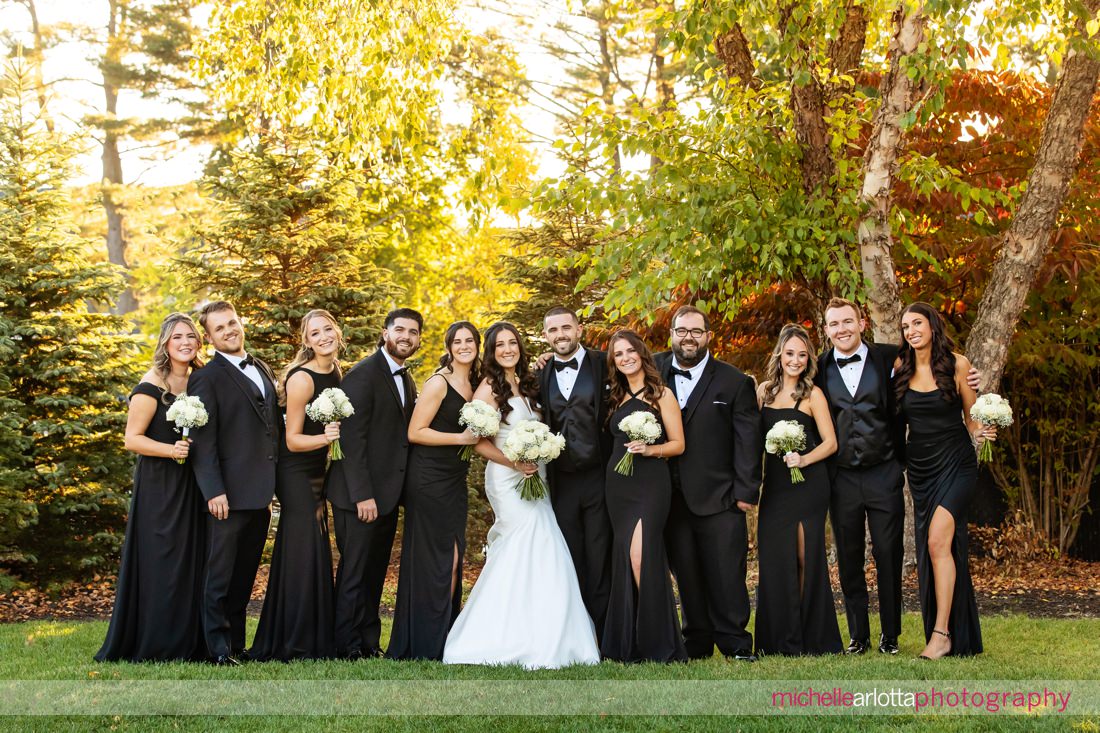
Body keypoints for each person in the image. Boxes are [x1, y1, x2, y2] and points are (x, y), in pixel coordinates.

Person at [816, 297, 981, 655]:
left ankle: (890, 636)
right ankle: (858, 636)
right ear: (826, 330)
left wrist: (974, 381)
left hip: (885, 471)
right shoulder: (820, 366)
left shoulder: (890, 357)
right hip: (841, 476)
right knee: (849, 557)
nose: (841, 329)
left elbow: (942, 374)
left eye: (848, 321)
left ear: (862, 324)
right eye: (834, 324)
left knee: (889, 554)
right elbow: (798, 395)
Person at [443, 322, 600, 669]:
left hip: (536, 475)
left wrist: (534, 458)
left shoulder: (528, 382)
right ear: (491, 351)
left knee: (542, 545)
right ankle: (496, 636)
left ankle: (545, 632)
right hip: (506, 478)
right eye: (499, 345)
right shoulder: (487, 388)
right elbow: (479, 441)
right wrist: (514, 463)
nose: (507, 350)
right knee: (532, 540)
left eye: (512, 343)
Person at [95, 313, 207, 663]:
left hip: (192, 483)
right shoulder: (150, 386)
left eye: (191, 336)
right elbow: (132, 440)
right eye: (178, 337)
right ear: (165, 344)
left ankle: (190, 639)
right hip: (160, 486)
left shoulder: (198, 380)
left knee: (190, 558)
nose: (186, 342)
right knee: (163, 560)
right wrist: (170, 450)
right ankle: (158, 642)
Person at [654, 305, 761, 661]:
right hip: (668, 497)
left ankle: (735, 642)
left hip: (720, 497)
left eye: (696, 331)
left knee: (727, 572)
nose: (688, 338)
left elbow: (747, 440)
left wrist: (745, 493)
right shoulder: (651, 371)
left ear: (708, 336)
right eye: (681, 331)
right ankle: (696, 641)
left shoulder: (734, 381)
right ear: (671, 334)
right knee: (685, 572)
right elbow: (609, 364)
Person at [187, 301, 282, 665]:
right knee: (220, 576)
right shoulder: (206, 378)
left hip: (261, 493)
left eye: (232, 323)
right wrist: (214, 491)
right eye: (219, 328)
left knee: (244, 575)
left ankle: (238, 644)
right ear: (209, 338)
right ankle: (217, 650)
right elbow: (203, 441)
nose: (229, 331)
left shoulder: (259, 366)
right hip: (226, 494)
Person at [895, 302, 989, 659]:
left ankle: (941, 634)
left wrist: (982, 433)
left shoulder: (958, 364)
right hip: (920, 470)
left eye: (917, 323)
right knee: (937, 547)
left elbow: (972, 419)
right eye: (905, 326)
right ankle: (953, 633)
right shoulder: (900, 366)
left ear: (932, 325)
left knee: (937, 542)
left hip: (957, 464)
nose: (911, 331)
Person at [326, 308, 422, 660]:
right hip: (358, 497)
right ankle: (345, 645)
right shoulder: (363, 375)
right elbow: (350, 441)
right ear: (385, 333)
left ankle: (367, 642)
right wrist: (362, 495)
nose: (406, 337)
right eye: (400, 330)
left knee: (375, 571)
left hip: (386, 495)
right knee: (354, 571)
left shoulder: (405, 377)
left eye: (413, 332)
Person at [250, 310, 345, 661]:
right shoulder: (302, 379)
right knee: (303, 550)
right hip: (296, 472)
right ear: (306, 341)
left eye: (327, 330)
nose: (323, 337)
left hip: (317, 470)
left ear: (337, 332)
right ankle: (295, 641)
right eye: (315, 333)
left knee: (314, 548)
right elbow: (291, 440)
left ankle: (316, 635)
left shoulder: (335, 371)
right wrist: (326, 438)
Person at [387, 321, 481, 661]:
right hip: (428, 479)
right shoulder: (438, 382)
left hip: (454, 480)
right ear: (449, 346)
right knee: (437, 560)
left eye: (469, 340)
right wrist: (460, 439)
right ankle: (425, 643)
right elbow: (415, 431)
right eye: (457, 341)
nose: (464, 346)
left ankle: (445, 638)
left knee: (454, 556)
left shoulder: (477, 381)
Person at [754, 324, 842, 656]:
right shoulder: (763, 392)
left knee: (806, 557)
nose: (795, 360)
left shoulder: (813, 395)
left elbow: (831, 443)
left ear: (808, 360)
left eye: (802, 355)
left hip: (808, 486)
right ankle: (779, 639)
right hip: (775, 487)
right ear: (780, 354)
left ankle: (810, 636)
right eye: (790, 353)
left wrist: (803, 459)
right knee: (776, 559)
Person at [602, 330, 687, 663]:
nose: (625, 358)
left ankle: (659, 642)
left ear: (641, 353)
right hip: (618, 486)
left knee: (642, 555)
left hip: (651, 484)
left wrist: (650, 449)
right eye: (618, 354)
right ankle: (630, 642)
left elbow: (679, 444)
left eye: (630, 351)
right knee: (626, 557)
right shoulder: (615, 395)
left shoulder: (662, 394)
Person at [538, 306, 612, 638]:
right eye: (553, 330)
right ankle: (575, 633)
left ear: (579, 330)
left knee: (600, 553)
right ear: (546, 336)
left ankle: (604, 630)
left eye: (566, 328)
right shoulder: (540, 372)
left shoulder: (603, 363)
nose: (560, 335)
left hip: (600, 475)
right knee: (569, 554)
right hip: (562, 478)